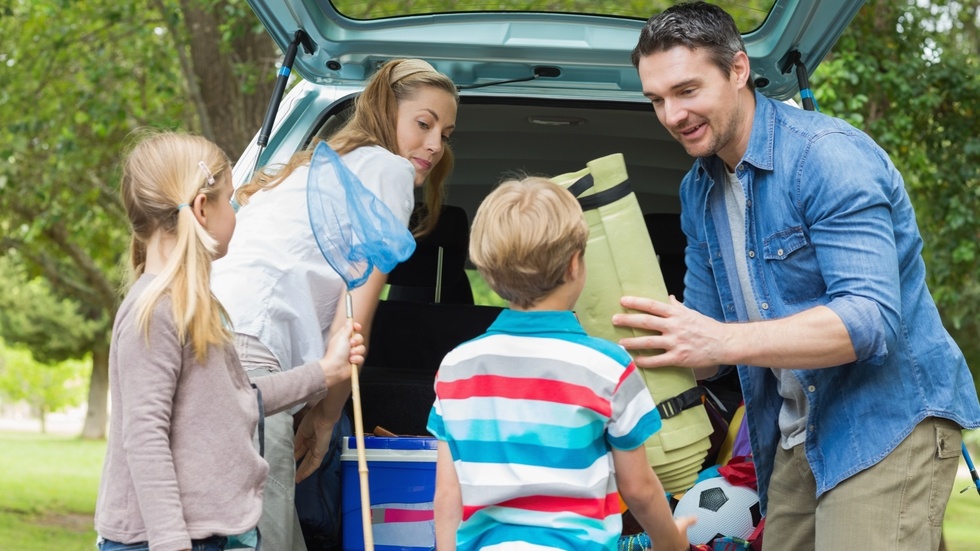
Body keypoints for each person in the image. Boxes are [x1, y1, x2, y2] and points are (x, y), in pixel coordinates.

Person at [614, 3, 980, 550]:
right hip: (793, 433)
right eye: (657, 100)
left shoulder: (827, 158)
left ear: (738, 70)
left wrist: (715, 337)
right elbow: (708, 350)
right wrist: (658, 338)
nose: (671, 115)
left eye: (687, 91)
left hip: (886, 420)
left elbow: (868, 321)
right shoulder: (698, 190)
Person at [210, 58, 459, 550]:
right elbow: (353, 323)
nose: (434, 144)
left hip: (210, 336)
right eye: (423, 124)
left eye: (445, 134)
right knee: (267, 539)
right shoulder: (387, 170)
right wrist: (325, 420)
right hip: (252, 354)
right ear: (387, 111)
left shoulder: (311, 166)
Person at [95, 130, 365, 551]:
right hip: (164, 540)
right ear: (203, 208)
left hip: (209, 533)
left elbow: (237, 396)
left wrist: (324, 372)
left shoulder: (195, 305)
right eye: (232, 199)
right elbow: (145, 435)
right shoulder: (155, 310)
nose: (237, 211)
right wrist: (170, 542)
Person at [427, 177, 693, 551]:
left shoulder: (456, 367)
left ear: (487, 272)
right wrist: (672, 542)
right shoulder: (608, 366)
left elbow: (447, 494)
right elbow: (639, 488)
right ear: (575, 265)